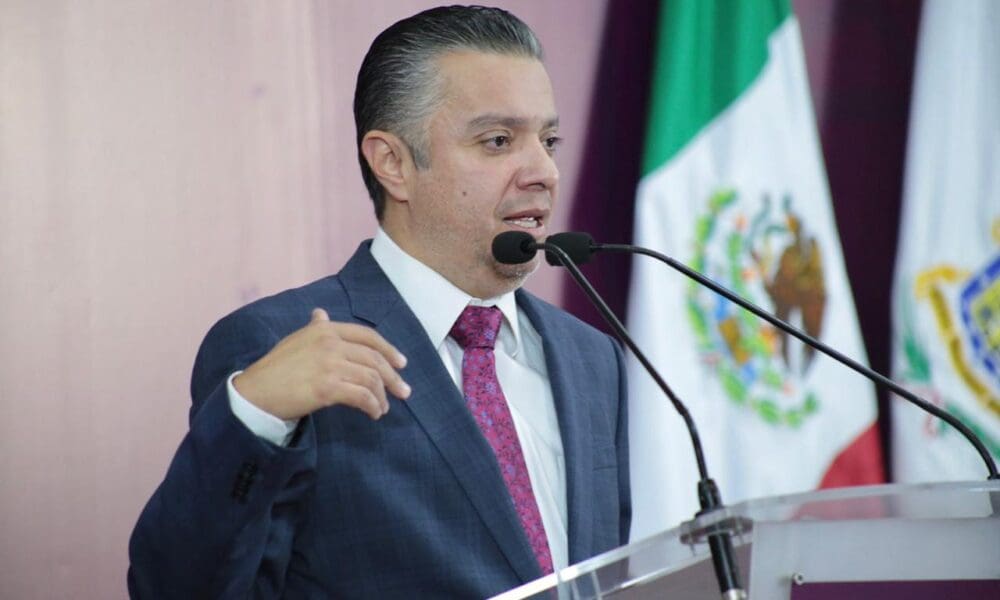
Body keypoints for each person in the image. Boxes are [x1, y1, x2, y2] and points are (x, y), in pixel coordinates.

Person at [128, 6, 630, 598]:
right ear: (393, 162)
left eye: (548, 140)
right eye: (498, 141)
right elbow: (179, 588)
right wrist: (256, 416)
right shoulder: (280, 344)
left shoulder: (592, 358)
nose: (544, 171)